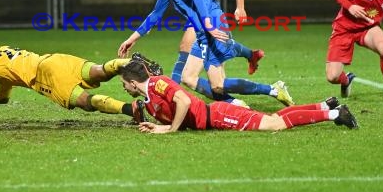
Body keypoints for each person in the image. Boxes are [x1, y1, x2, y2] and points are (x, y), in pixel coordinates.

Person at [118, 0, 294, 107]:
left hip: (212, 23)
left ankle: (271, 90)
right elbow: (155, 14)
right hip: (205, 27)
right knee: (188, 77)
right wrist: (132, 39)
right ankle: (236, 101)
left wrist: (208, 24)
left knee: (218, 84)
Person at [0, 25, 145, 122]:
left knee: (85, 102)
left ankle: (131, 109)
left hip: (44, 74)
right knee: (99, 71)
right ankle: (128, 63)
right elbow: (3, 97)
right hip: (55, 59)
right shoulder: (1, 52)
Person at [119, 60, 358, 133]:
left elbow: (185, 101)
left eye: (123, 84)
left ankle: (336, 114)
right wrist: (163, 127)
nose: (123, 88)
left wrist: (170, 130)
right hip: (216, 115)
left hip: (219, 116)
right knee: (274, 117)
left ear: (132, 82)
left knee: (273, 124)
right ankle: (323, 106)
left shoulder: (158, 83)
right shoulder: (150, 95)